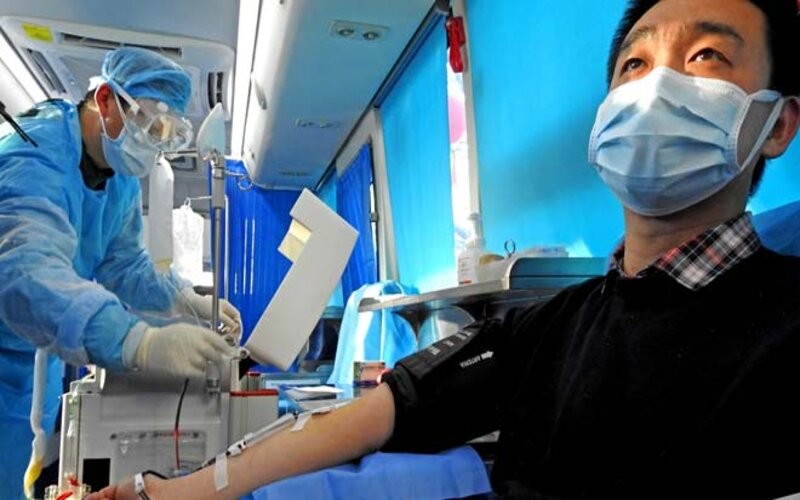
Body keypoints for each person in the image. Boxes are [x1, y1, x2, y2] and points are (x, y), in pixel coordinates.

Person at [88, 0, 800, 498]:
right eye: (635, 65)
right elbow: (388, 409)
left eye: (706, 55)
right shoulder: (551, 326)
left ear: (776, 125)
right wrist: (180, 491)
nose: (658, 87)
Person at [0, 47, 243, 498]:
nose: (152, 143)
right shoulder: (34, 157)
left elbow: (124, 263)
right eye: (148, 125)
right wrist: (137, 342)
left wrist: (182, 297)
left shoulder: (120, 177)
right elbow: (25, 273)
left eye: (164, 134)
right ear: (106, 100)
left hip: (36, 362)